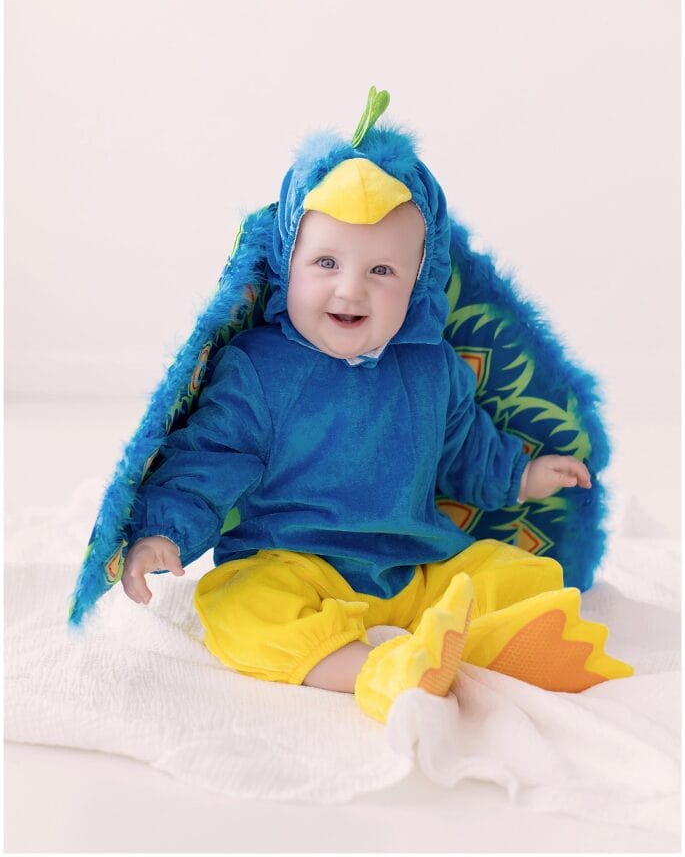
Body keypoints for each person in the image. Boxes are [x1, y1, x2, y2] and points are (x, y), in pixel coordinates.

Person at [121, 119, 632, 723]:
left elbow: (464, 451)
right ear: (289, 263)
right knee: (237, 604)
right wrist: (165, 530)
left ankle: (489, 645)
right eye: (327, 262)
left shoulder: (432, 368)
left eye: (381, 271)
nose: (349, 290)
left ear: (419, 279)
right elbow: (209, 459)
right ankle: (375, 668)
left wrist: (523, 477)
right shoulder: (258, 368)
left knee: (521, 576)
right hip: (295, 561)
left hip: (414, 565)